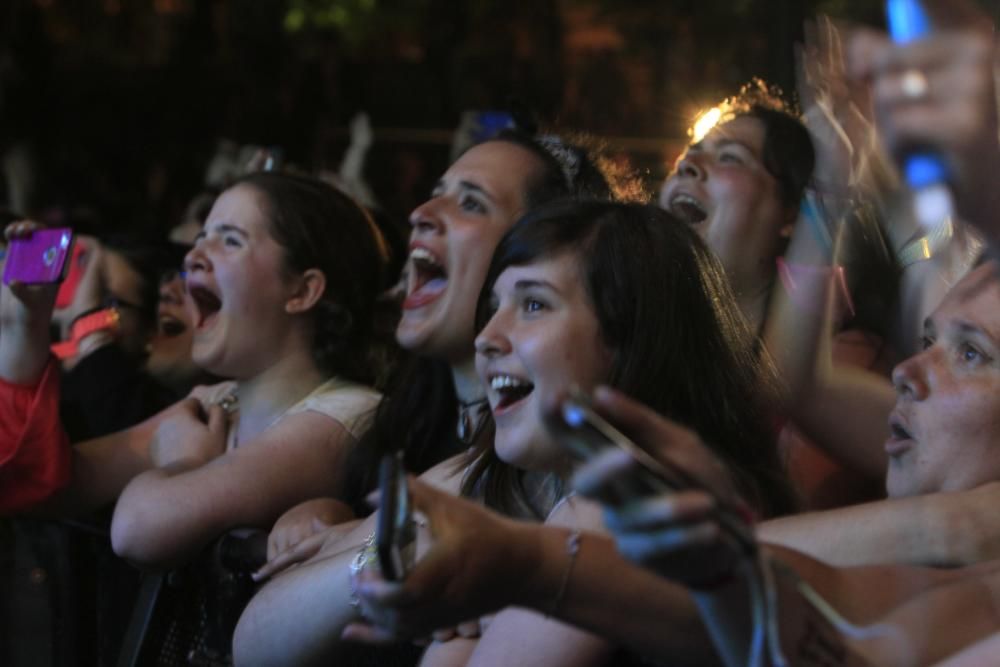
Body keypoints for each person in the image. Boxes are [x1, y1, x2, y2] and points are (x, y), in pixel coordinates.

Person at [233, 130, 634, 664]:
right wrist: (355, 533)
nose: (421, 210)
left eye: (471, 202)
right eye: (438, 190)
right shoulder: (405, 433)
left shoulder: (573, 482)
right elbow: (255, 641)